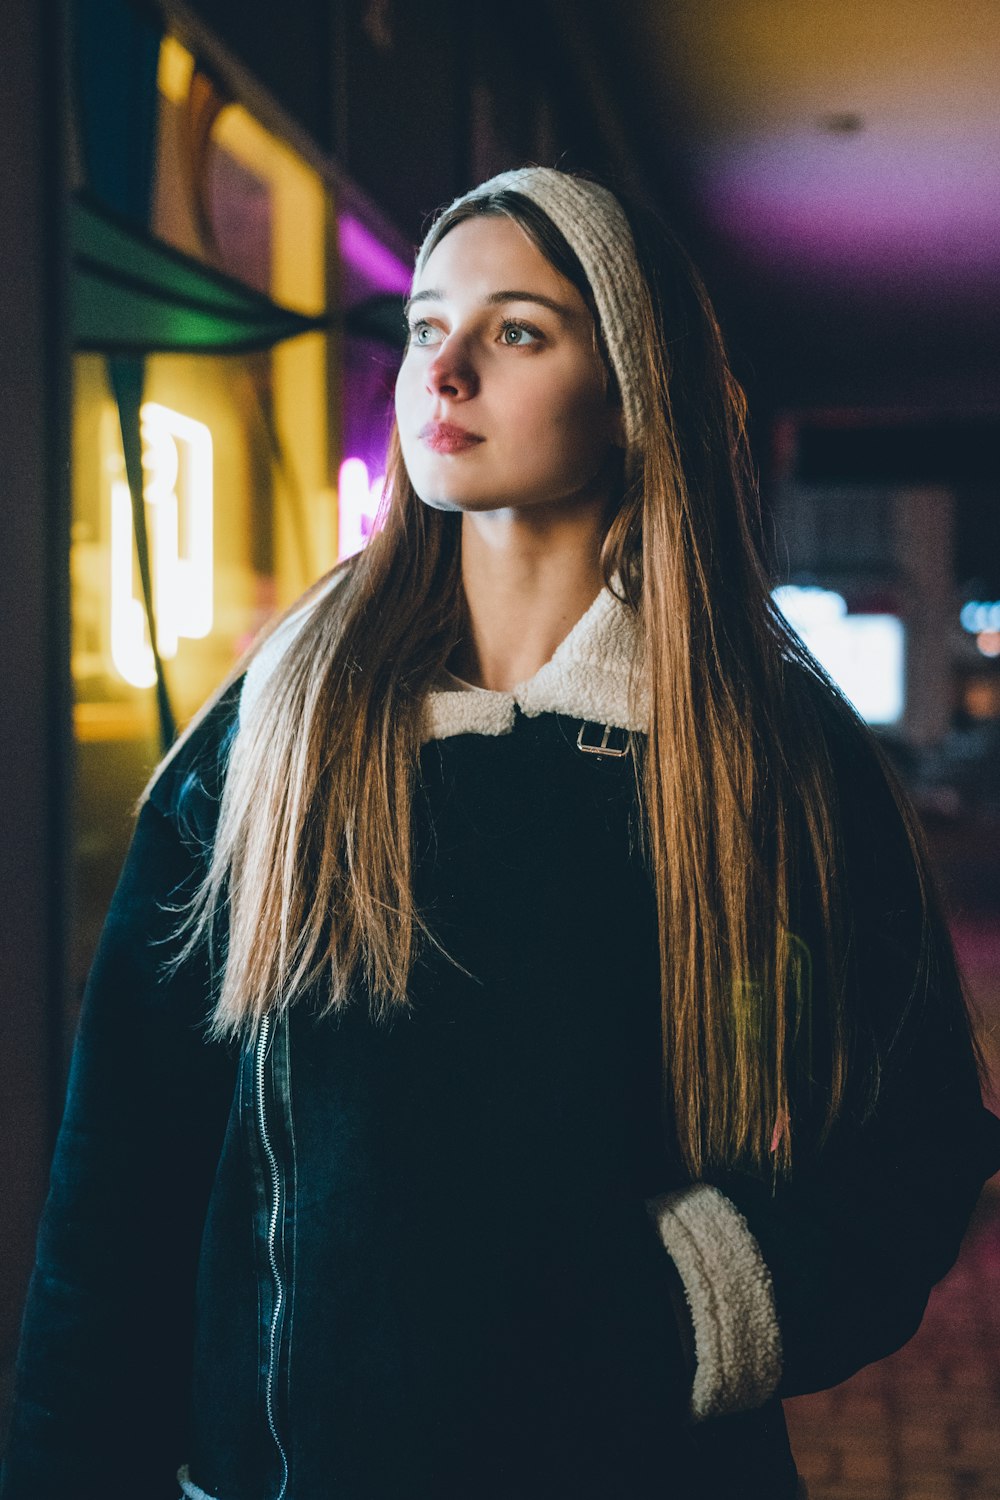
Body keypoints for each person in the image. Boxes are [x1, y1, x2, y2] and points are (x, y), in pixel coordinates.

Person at [3, 166, 999, 1500]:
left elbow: (915, 1143)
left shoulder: (764, 754)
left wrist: (688, 1311)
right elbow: (120, 1190)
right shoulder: (271, 741)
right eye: (425, 326)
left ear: (633, 387)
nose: (446, 371)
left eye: (516, 331)